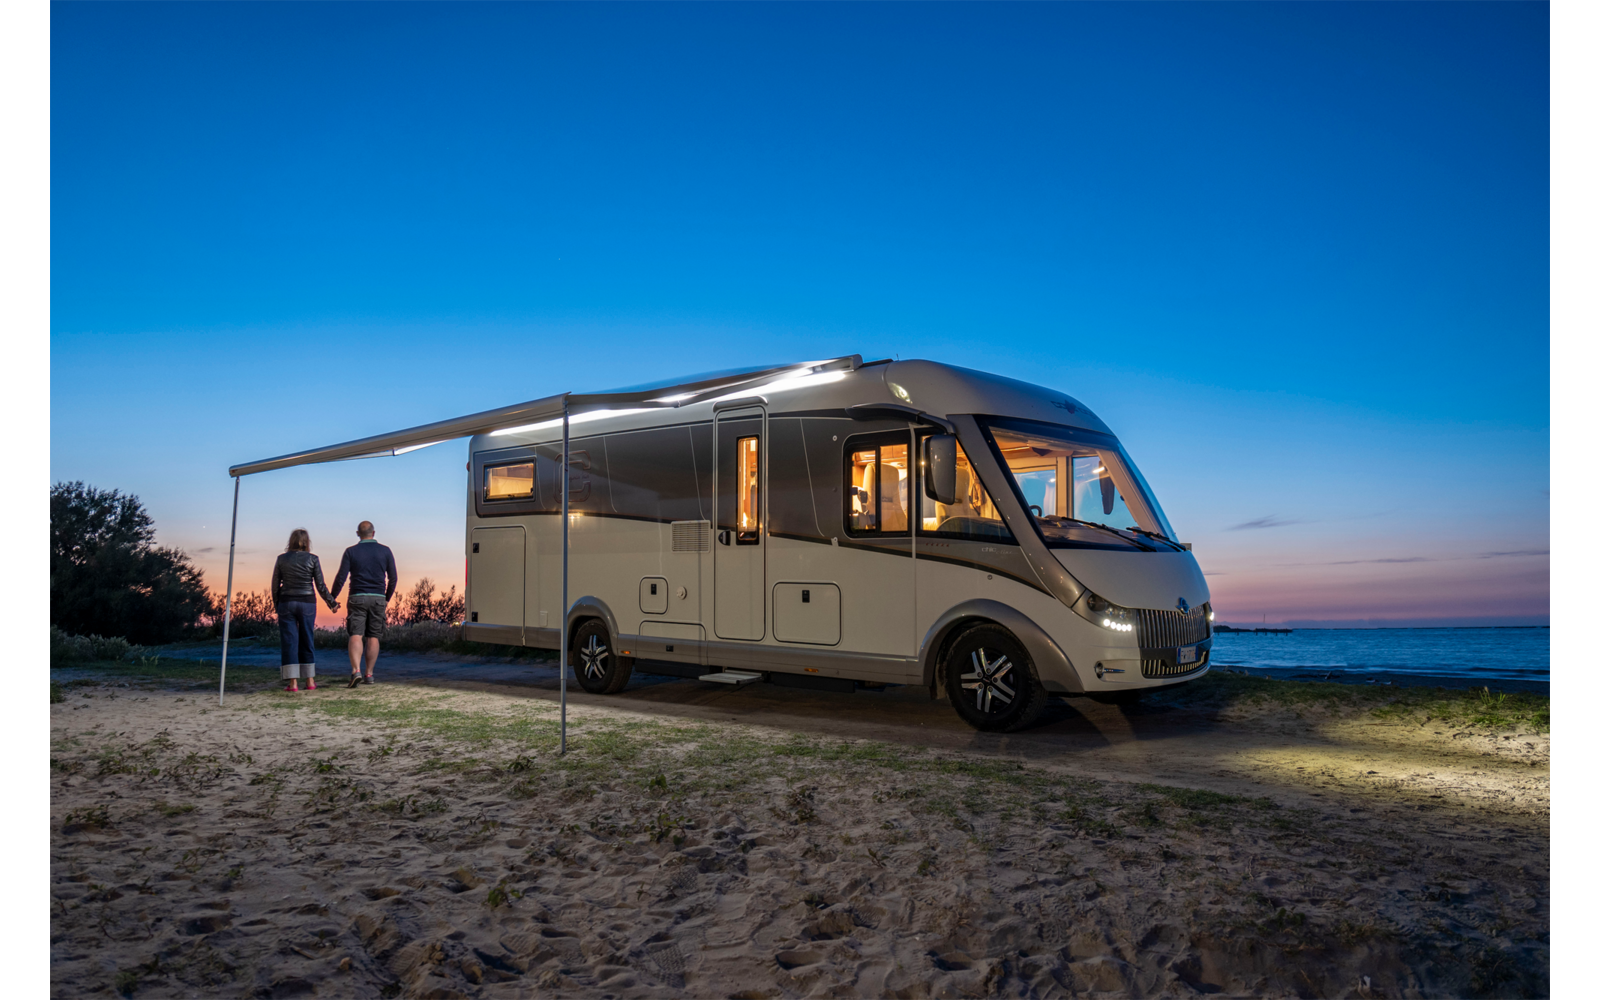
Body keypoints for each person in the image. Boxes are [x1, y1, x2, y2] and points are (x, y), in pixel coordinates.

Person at [330, 520, 399, 688]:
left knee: (356, 634)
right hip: (378, 598)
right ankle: (369, 674)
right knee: (373, 636)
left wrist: (332, 598)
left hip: (357, 596)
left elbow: (341, 577)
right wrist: (386, 598)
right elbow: (393, 578)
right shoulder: (385, 551)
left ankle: (356, 671)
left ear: (357, 534)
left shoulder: (351, 551)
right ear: (373, 533)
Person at [270, 528, 339, 692]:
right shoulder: (313, 559)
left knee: (289, 641)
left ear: (291, 541)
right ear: (307, 542)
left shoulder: (281, 559)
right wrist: (332, 603)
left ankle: (293, 683)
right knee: (307, 638)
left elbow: (275, 586)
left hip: (286, 602)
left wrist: (277, 605)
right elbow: (320, 585)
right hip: (307, 603)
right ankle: (310, 681)